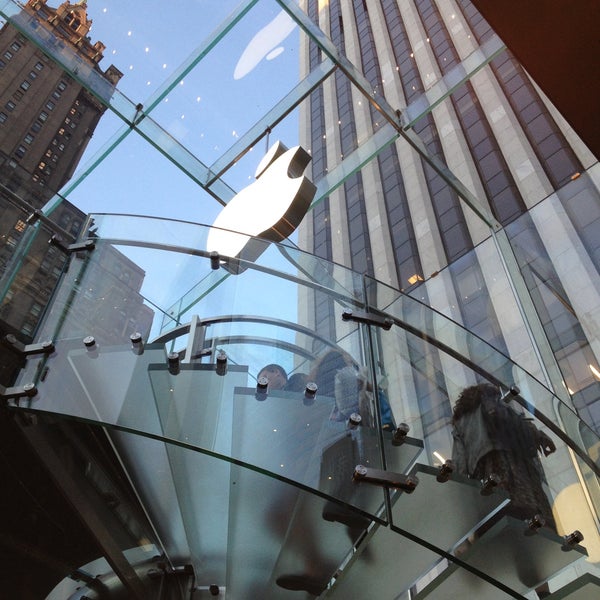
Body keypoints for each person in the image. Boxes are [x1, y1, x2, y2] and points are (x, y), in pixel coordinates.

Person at [451, 383, 556, 530]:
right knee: (532, 516)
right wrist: (539, 436)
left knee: (500, 519)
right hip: (513, 466)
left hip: (487, 477)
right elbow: (511, 420)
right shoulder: (490, 400)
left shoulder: (459, 424)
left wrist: (465, 496)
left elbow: (459, 464)